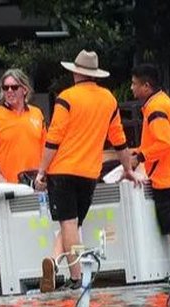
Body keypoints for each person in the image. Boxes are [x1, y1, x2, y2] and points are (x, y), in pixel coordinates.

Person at [35, 49, 142, 293]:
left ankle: (76, 277)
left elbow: (54, 138)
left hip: (62, 169)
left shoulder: (67, 97)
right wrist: (128, 169)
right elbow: (120, 140)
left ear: (76, 74)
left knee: (68, 223)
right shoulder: (109, 100)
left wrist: (41, 170)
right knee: (72, 223)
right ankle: (53, 261)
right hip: (89, 172)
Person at [130, 63, 170, 265]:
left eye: (134, 84)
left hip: (166, 177)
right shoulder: (163, 101)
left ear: (146, 86)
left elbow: (163, 142)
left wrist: (139, 157)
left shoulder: (155, 108)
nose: (131, 88)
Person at [0, 68, 46, 183]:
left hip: (35, 184)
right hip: (7, 186)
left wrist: (43, 174)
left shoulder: (37, 114)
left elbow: (46, 149)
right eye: (5, 88)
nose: (9, 91)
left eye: (14, 87)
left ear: (25, 90)